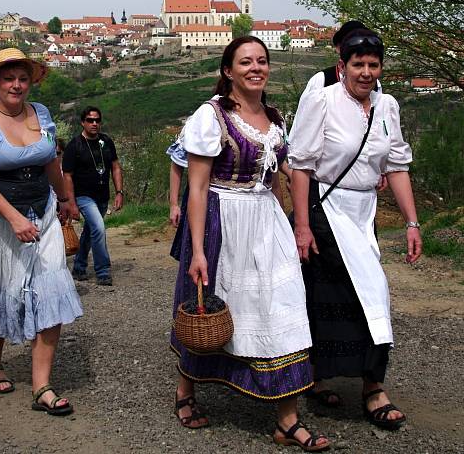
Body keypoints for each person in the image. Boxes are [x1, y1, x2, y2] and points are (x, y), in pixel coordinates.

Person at [170, 36, 328, 451]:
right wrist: (200, 248)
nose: (256, 68)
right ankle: (186, 389)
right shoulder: (212, 116)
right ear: (228, 71)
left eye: (262, 61)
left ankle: (286, 420)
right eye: (245, 62)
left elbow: (280, 176)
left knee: (283, 305)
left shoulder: (275, 118)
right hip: (223, 219)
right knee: (210, 308)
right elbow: (199, 186)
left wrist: (298, 225)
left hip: (266, 220)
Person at [289, 29, 421, 431]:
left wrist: (412, 222)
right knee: (340, 294)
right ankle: (335, 379)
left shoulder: (388, 106)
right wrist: (302, 226)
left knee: (373, 290)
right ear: (341, 66)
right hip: (327, 208)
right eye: (358, 65)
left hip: (365, 211)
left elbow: (396, 165)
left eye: (373, 65)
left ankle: (370, 383)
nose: (366, 73)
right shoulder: (322, 100)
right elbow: (301, 165)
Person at [0, 48, 82, 416]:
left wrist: (65, 197)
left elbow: (51, 161)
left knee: (51, 290)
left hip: (43, 214)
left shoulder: (41, 114)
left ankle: (42, 385)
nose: (16, 85)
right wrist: (12, 218)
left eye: (22, 78)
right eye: (8, 78)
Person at [62, 106, 124, 286]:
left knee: (90, 232)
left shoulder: (106, 141)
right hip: (83, 196)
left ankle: (79, 267)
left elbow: (115, 167)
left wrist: (119, 192)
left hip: (102, 195)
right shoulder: (75, 146)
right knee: (98, 227)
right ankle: (103, 270)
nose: (94, 123)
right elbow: (67, 176)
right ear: (83, 122)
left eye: (97, 120)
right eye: (90, 120)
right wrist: (71, 203)